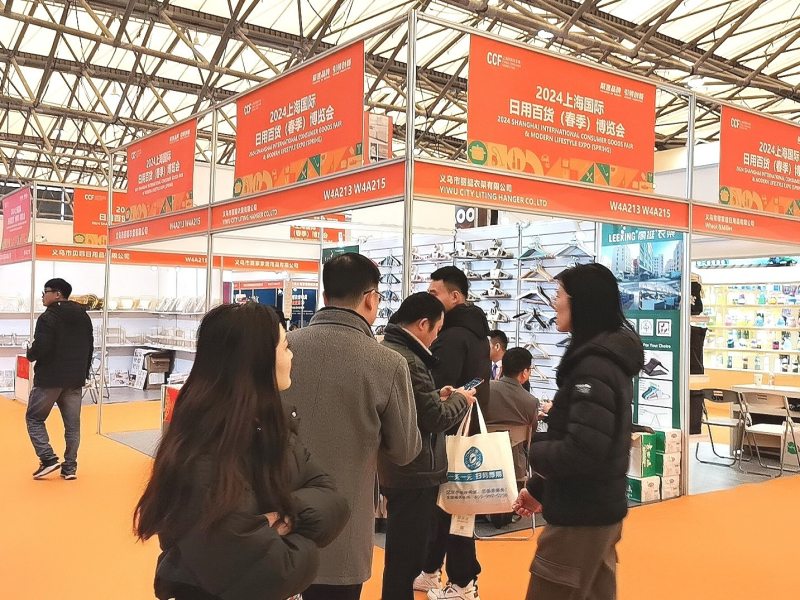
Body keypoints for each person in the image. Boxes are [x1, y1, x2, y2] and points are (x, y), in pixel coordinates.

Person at [133, 303, 350, 600]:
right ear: (257, 361)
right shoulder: (201, 454)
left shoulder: (274, 428)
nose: (291, 356)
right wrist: (301, 531)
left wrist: (283, 515)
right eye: (285, 347)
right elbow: (272, 572)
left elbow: (333, 500)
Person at [281, 252, 421, 600]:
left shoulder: (284, 349)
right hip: (343, 526)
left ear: (324, 295)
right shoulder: (388, 363)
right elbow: (405, 450)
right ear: (371, 299)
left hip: (277, 519)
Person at [513, 263, 644, 600]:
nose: (553, 302)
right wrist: (540, 488)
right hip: (594, 508)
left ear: (581, 302)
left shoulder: (594, 368)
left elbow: (583, 449)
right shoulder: (599, 360)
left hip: (580, 516)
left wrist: (535, 449)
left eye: (559, 295)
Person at [379, 292, 477, 600]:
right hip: (416, 469)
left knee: (402, 554)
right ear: (423, 324)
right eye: (436, 330)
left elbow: (414, 407)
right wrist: (461, 399)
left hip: (399, 465)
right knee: (406, 558)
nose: (436, 338)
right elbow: (435, 419)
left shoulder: (391, 349)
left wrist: (437, 396)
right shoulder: (410, 359)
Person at [418, 265, 491, 600]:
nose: (429, 298)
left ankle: (463, 583)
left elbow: (438, 388)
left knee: (456, 509)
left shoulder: (452, 337)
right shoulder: (478, 335)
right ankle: (431, 571)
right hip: (468, 431)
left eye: (434, 293)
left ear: (455, 296)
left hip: (452, 433)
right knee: (449, 507)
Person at [25, 278, 93, 480]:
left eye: (45, 291)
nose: (42, 296)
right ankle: (70, 468)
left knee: (34, 418)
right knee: (72, 426)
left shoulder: (48, 317)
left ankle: (48, 459)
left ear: (57, 294)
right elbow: (90, 347)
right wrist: (84, 373)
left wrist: (30, 354)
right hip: (74, 379)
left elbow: (41, 346)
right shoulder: (83, 315)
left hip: (50, 379)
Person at [487, 347, 539, 483]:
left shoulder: (485, 390)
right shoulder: (531, 402)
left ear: (503, 368)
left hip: (482, 461)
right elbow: (531, 435)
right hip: (514, 467)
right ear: (524, 372)